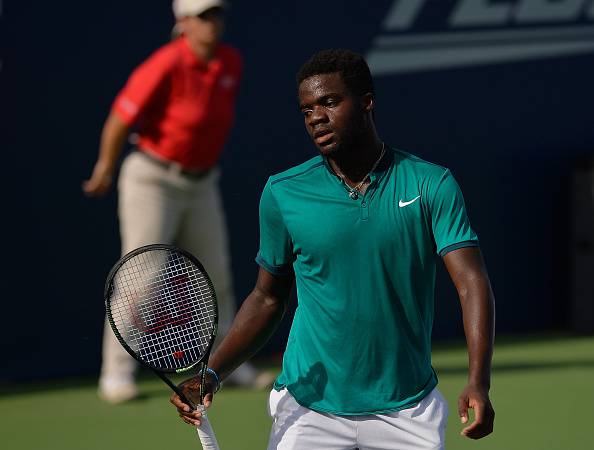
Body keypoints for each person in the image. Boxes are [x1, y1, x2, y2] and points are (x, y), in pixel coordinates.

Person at [171, 49, 496, 449]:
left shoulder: (431, 184)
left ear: (366, 102)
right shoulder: (283, 193)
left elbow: (471, 283)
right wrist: (214, 372)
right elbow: (268, 298)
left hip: (408, 407)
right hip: (309, 408)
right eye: (306, 110)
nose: (316, 118)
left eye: (329, 102)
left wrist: (478, 382)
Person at [83, 0, 274, 404]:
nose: (213, 23)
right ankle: (115, 375)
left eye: (217, 14)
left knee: (215, 275)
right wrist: (105, 166)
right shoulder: (165, 64)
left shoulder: (230, 62)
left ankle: (222, 367)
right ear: (183, 22)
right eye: (204, 16)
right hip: (152, 179)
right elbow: (120, 116)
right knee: (142, 279)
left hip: (202, 183)